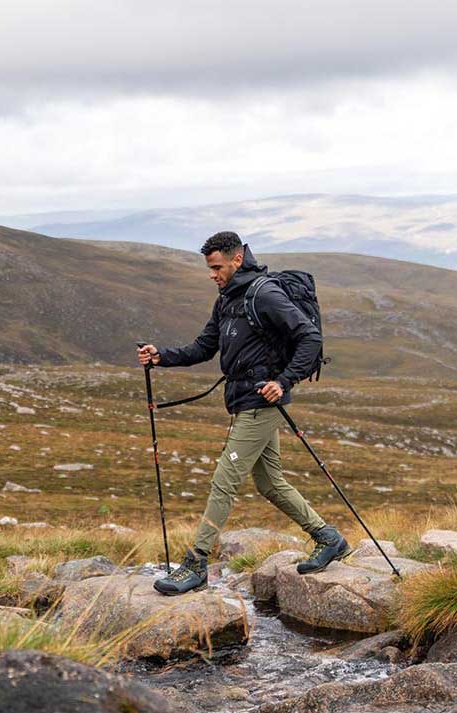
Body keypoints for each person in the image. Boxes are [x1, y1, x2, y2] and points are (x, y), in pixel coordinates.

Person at [138, 230, 349, 596]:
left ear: (237, 260)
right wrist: (161, 357)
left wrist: (283, 381)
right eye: (209, 268)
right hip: (242, 402)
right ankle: (329, 538)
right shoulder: (227, 299)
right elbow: (204, 347)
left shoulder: (264, 294)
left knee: (224, 480)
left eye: (217, 267)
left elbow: (309, 337)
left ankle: (196, 563)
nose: (212, 275)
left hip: (261, 404)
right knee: (269, 482)